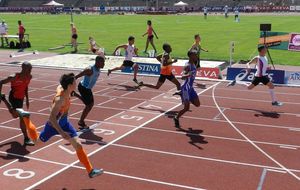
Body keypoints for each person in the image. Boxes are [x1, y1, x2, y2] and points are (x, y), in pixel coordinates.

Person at [37, 73, 103, 177]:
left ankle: (90, 171)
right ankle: (27, 123)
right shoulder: (60, 100)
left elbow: (61, 86)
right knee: (37, 143)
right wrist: (62, 133)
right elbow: (52, 118)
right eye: (74, 82)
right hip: (52, 126)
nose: (76, 84)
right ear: (69, 85)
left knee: (78, 145)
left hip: (65, 123)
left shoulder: (66, 89)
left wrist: (76, 95)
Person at [0, 62, 35, 146]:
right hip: (13, 98)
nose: (30, 70)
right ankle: (26, 139)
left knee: (15, 115)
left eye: (31, 68)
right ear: (23, 68)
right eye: (29, 69)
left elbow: (25, 86)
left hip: (21, 99)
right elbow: (1, 82)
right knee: (22, 117)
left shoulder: (29, 77)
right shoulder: (14, 77)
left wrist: (27, 99)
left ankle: (4, 99)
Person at [73, 56, 105, 130]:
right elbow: (79, 75)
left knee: (89, 104)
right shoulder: (90, 69)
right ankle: (81, 121)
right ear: (98, 62)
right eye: (103, 62)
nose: (104, 64)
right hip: (84, 88)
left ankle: (75, 95)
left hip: (87, 88)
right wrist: (74, 78)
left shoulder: (98, 68)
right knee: (89, 105)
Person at [174, 50, 200, 128]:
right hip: (186, 88)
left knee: (197, 104)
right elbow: (182, 76)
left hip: (190, 88)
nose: (196, 56)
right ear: (191, 56)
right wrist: (189, 74)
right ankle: (176, 118)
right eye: (195, 55)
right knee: (186, 108)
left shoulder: (194, 63)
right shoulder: (187, 66)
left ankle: (182, 94)